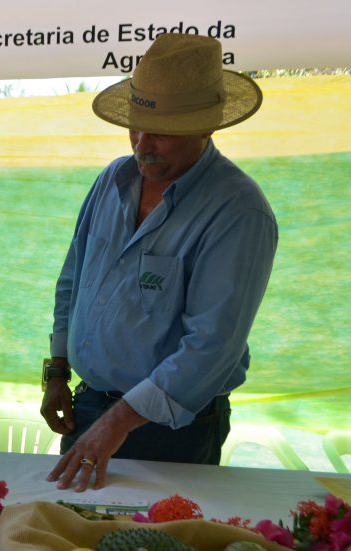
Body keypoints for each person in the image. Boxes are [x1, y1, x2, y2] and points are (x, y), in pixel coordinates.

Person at [41, 34, 277, 492]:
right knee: (73, 543)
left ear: (207, 127)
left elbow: (211, 347)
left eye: (162, 130)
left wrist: (115, 424)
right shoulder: (112, 179)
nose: (142, 143)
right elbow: (74, 280)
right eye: (136, 124)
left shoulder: (238, 211)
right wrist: (56, 371)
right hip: (90, 407)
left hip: (173, 431)